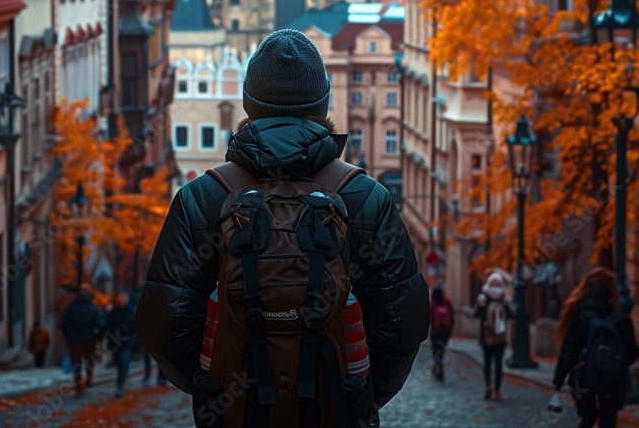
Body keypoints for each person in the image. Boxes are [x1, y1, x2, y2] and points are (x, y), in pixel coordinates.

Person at [134, 29, 430, 427]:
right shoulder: (367, 198)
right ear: (322, 103)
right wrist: (355, 396)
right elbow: (402, 327)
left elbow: (162, 328)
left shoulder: (200, 198)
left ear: (248, 104)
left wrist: (215, 388)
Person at [553, 268, 639, 428]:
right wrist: (613, 359)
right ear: (612, 291)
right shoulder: (621, 320)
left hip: (583, 378)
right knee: (608, 419)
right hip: (613, 377)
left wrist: (558, 383)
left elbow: (568, 353)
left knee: (588, 416)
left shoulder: (580, 316)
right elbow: (633, 353)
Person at [474, 272, 514, 400]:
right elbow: (476, 314)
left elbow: (511, 316)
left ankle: (493, 388)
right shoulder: (489, 297)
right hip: (495, 336)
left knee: (492, 363)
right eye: (494, 283)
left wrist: (508, 304)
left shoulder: (500, 298)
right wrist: (480, 305)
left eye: (498, 283)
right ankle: (492, 389)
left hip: (494, 337)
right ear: (490, 283)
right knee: (493, 363)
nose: (496, 285)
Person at [60, 284, 105, 395]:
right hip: (89, 340)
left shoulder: (70, 308)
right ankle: (88, 380)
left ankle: (78, 384)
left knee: (76, 363)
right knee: (90, 361)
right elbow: (101, 325)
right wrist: (98, 337)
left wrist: (68, 337)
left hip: (74, 341)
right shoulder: (93, 309)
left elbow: (63, 325)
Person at [105, 291, 139, 399]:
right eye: (121, 297)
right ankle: (120, 384)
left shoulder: (131, 312)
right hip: (115, 343)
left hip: (127, 344)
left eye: (124, 297)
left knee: (124, 365)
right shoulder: (112, 313)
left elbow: (135, 328)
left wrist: (132, 340)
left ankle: (119, 387)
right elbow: (107, 327)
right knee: (120, 366)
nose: (123, 299)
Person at [429, 285, 454, 382]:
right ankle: (438, 368)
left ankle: (439, 369)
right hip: (445, 332)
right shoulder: (447, 302)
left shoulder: (433, 304)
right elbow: (452, 316)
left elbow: (429, 318)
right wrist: (450, 329)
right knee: (441, 351)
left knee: (436, 351)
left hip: (435, 332)